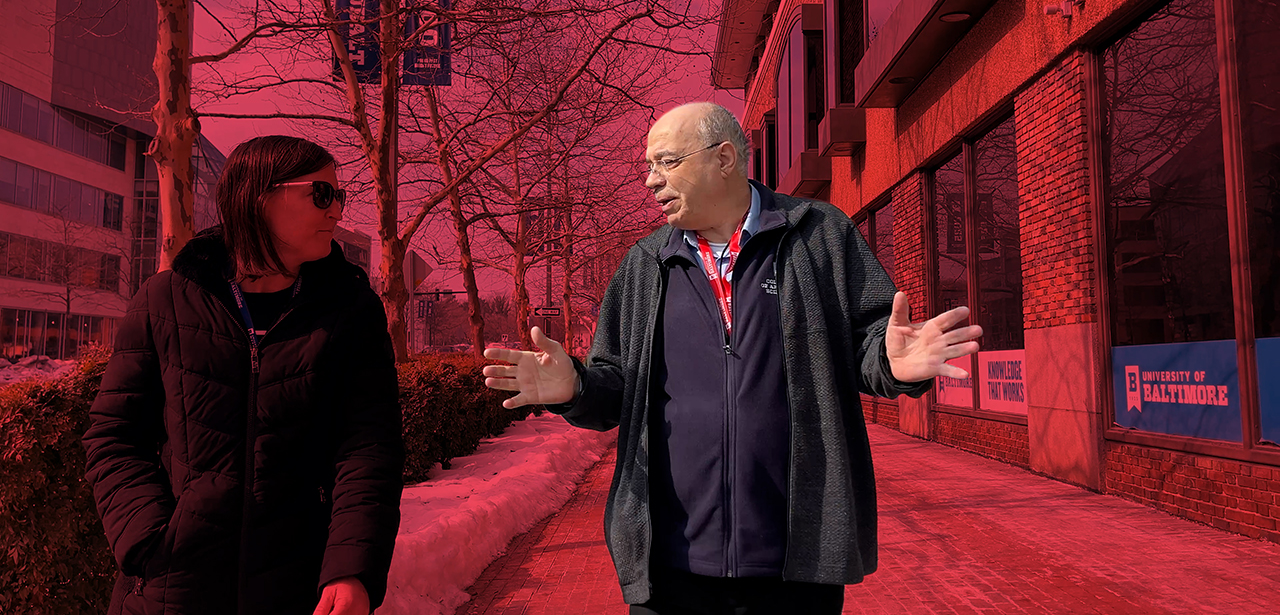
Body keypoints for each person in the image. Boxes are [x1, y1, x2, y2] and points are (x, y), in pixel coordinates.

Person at [483, 103, 982, 614]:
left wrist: (892, 364)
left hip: (796, 565)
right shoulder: (644, 265)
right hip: (670, 568)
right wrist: (576, 388)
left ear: (724, 158)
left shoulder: (819, 234)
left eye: (667, 162)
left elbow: (871, 344)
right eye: (648, 167)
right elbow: (616, 391)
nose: (652, 181)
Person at [83, 136, 404, 615]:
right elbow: (114, 435)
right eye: (322, 193)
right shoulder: (164, 299)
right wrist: (147, 540)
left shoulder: (352, 310)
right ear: (260, 196)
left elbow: (368, 449)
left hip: (300, 587)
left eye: (340, 196)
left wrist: (351, 566)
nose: (337, 210)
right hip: (169, 589)